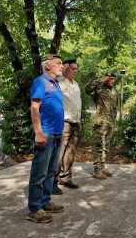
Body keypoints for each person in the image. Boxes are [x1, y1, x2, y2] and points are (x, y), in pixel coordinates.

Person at [26, 54, 65, 223]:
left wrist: (61, 131)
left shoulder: (55, 84)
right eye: (59, 63)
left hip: (56, 134)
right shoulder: (40, 82)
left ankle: (46, 202)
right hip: (46, 134)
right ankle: (35, 209)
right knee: (39, 173)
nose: (62, 66)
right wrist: (38, 132)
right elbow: (34, 108)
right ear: (48, 65)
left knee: (50, 172)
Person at [53, 59, 82, 195]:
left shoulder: (75, 84)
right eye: (72, 69)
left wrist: (79, 119)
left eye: (76, 69)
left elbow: (77, 104)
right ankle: (53, 181)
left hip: (75, 122)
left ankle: (66, 179)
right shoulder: (58, 82)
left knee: (70, 152)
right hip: (64, 122)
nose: (75, 71)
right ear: (65, 69)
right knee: (59, 152)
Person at [85, 72, 118, 180]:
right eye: (110, 79)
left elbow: (114, 108)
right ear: (105, 79)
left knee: (106, 147)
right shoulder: (98, 90)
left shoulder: (114, 91)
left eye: (113, 79)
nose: (112, 81)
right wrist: (100, 79)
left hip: (110, 123)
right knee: (99, 146)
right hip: (101, 123)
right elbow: (87, 89)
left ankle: (102, 168)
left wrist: (114, 122)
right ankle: (97, 170)